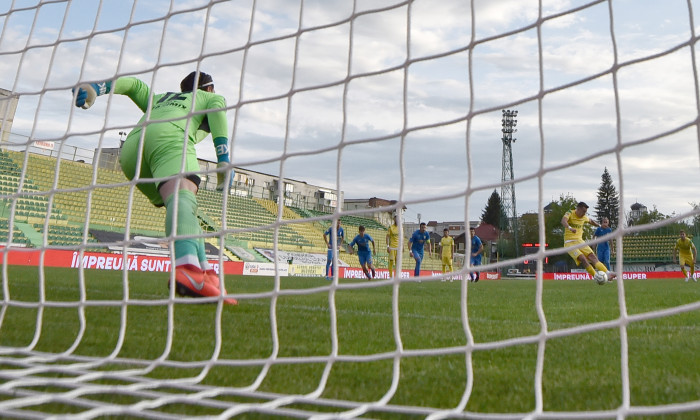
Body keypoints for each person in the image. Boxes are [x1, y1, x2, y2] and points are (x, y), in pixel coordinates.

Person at [73, 71, 237, 304]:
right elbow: (219, 105)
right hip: (168, 139)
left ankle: (207, 274)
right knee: (183, 198)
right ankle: (188, 267)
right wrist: (224, 159)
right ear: (208, 88)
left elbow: (134, 85)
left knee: (185, 207)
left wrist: (97, 88)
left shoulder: (161, 99)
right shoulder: (207, 97)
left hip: (132, 153)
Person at [561, 202, 615, 282]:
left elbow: (591, 221)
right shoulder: (570, 213)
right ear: (578, 209)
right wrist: (570, 228)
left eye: (585, 212)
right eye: (583, 211)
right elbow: (563, 221)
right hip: (569, 243)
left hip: (580, 241)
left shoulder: (584, 217)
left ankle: (607, 273)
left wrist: (599, 225)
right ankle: (596, 276)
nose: (584, 214)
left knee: (592, 256)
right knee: (582, 258)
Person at [386, 213, 400, 278]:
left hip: (398, 248)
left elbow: (401, 238)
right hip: (392, 247)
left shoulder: (400, 228)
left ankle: (397, 276)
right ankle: (391, 277)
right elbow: (387, 237)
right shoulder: (391, 227)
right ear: (394, 219)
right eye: (395, 218)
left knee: (397, 263)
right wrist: (388, 246)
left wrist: (402, 246)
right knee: (391, 262)